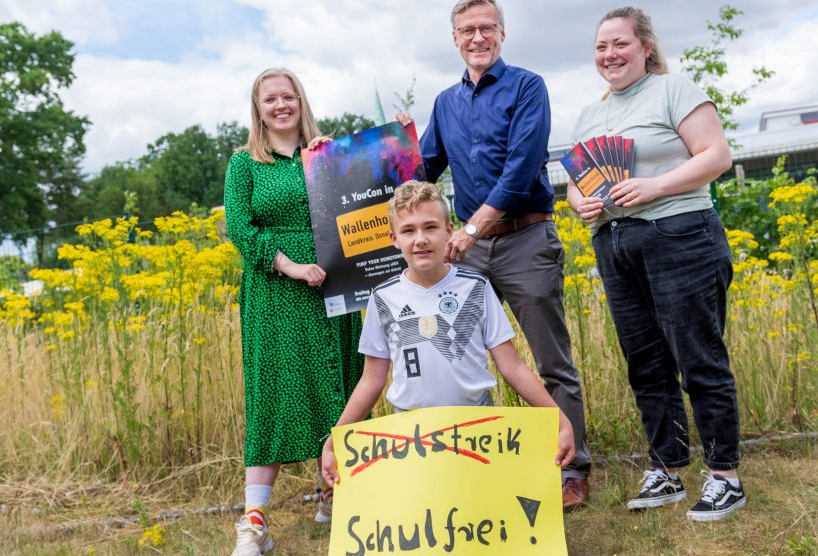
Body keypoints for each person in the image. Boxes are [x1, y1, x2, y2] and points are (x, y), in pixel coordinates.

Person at [396, 0, 592, 510]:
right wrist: (395, 145)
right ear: (455, 39)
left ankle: (571, 469)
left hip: (524, 238)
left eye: (486, 27)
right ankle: (467, 467)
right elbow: (423, 170)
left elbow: (523, 163)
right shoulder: (444, 102)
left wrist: (473, 226)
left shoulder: (528, 86)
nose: (477, 37)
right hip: (470, 250)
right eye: (467, 30)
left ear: (501, 34)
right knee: (456, 358)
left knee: (552, 362)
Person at [568, 7, 744, 522]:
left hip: (680, 235)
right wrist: (580, 202)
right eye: (601, 47)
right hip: (616, 243)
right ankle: (666, 468)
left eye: (619, 44)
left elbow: (716, 155)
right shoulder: (590, 114)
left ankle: (724, 477)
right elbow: (581, 181)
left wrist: (654, 186)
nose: (609, 54)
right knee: (644, 362)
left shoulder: (675, 90)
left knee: (698, 357)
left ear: (645, 46)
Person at [320, 180, 575, 486]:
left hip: (476, 425)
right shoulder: (382, 298)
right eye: (408, 231)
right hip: (412, 430)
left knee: (479, 513)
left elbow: (513, 366)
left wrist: (558, 419)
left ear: (449, 230)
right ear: (393, 239)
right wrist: (336, 438)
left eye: (430, 227)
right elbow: (371, 380)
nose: (421, 239)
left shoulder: (475, 288)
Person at [223, 67, 364, 555]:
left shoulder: (324, 155)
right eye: (270, 100)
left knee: (339, 384)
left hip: (333, 287)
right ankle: (254, 522)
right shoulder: (245, 164)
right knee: (276, 396)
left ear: (301, 102)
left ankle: (334, 495)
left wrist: (398, 137)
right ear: (258, 110)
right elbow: (241, 229)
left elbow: (371, 194)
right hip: (276, 293)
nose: (281, 105)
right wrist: (290, 266)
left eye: (289, 97)